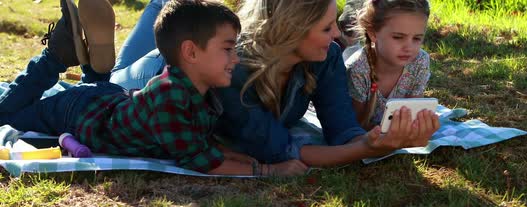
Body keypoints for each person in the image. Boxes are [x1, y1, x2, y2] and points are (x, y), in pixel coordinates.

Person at [110, 0, 439, 167]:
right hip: (162, 68)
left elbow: (343, 131)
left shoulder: (325, 59)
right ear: (291, 29)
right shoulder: (233, 73)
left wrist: (375, 140)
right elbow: (280, 151)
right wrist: (367, 148)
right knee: (111, 82)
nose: (338, 35)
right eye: (326, 28)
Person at [0, 0, 307, 176]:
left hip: (106, 101)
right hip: (79, 113)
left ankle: (96, 69)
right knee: (7, 113)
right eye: (227, 49)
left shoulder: (199, 88)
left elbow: (202, 144)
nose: (235, 59)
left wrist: (248, 159)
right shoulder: (171, 95)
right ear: (191, 53)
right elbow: (200, 160)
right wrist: (268, 171)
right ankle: (55, 56)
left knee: (92, 91)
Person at [345, 0, 438, 144]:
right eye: (398, 37)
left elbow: (413, 113)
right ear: (373, 33)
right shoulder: (359, 68)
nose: (409, 47)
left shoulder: (419, 61)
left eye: (417, 38)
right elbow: (354, 125)